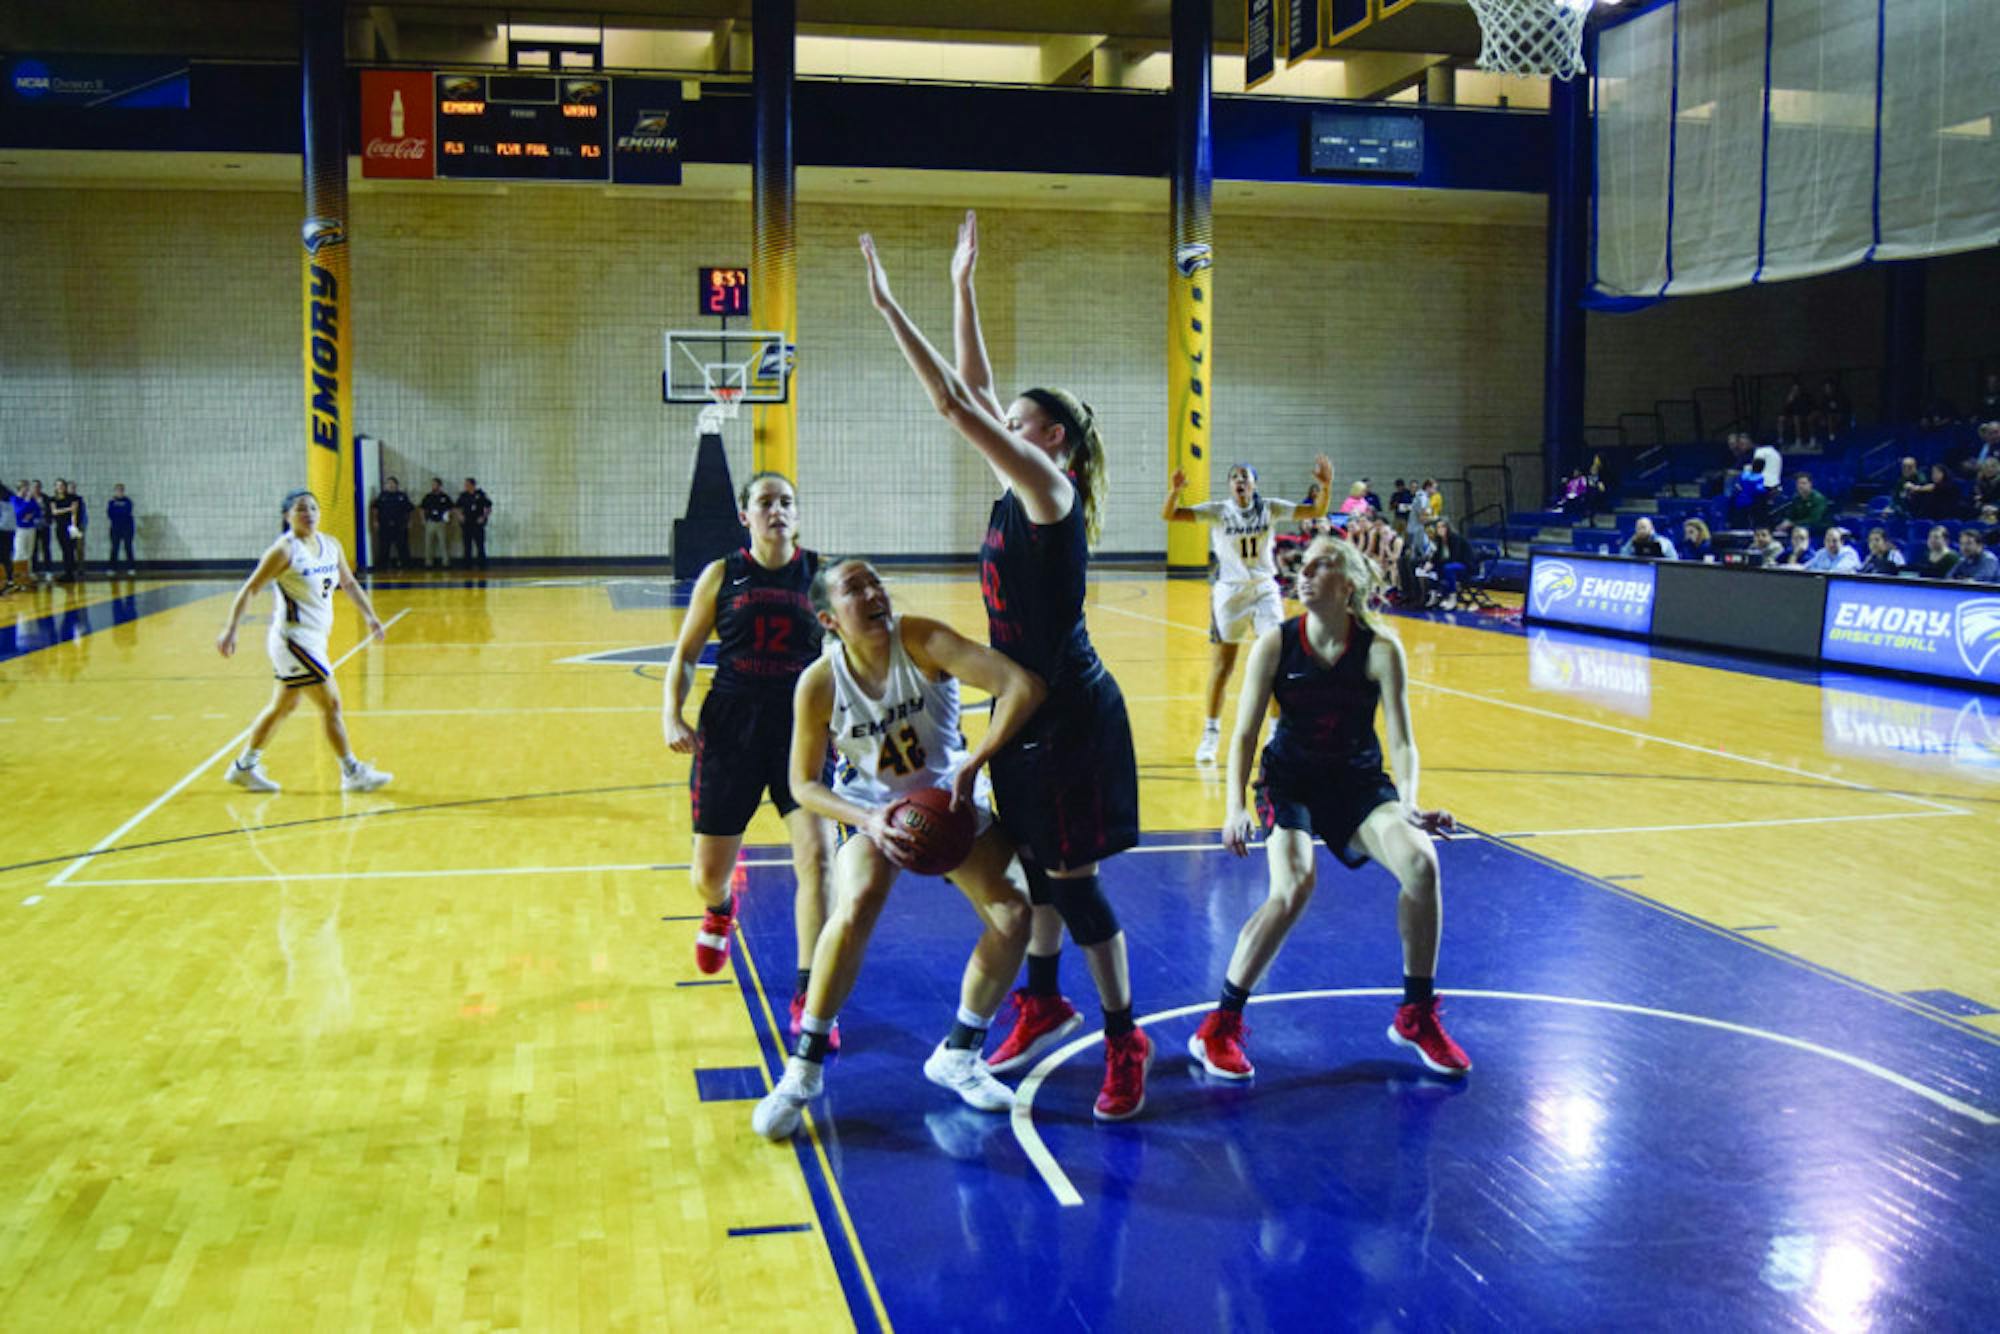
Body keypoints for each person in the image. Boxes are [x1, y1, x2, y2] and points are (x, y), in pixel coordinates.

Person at [861, 211, 1151, 1120]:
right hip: (1021, 701)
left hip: (1067, 713)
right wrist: (960, 285)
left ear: (1050, 438)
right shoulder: (1017, 482)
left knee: (1074, 884)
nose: (1001, 420)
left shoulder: (1048, 488)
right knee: (1028, 863)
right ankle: (1042, 995)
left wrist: (886, 303)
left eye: (1020, 421)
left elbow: (954, 400)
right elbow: (976, 388)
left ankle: (1124, 1038)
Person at [751, 558, 1044, 1139]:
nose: (873, 592)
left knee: (1015, 913)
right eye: (854, 588)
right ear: (830, 617)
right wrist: (870, 819)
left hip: (946, 798)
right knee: (855, 905)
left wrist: (975, 762)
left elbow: (1021, 686)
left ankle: (959, 1052)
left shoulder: (923, 639)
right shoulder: (820, 682)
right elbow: (801, 784)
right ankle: (803, 1069)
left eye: (875, 582)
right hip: (869, 808)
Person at [1190, 535, 1467, 1081]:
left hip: (1356, 784)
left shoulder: (1381, 648)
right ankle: (1219, 1026)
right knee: (1293, 886)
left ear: (1349, 584)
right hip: (1289, 780)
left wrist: (1408, 803)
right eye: (1303, 565)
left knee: (1421, 864)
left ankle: (1416, 1014)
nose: (1304, 572)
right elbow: (1244, 733)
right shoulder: (1276, 643)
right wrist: (1232, 807)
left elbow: (1403, 740)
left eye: (1321, 566)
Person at [662, 472, 835, 1039]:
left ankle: (812, 996)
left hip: (801, 730)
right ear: (746, 517)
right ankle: (719, 910)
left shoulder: (821, 577)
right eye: (765, 502)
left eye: (787, 501)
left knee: (819, 860)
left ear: (799, 516)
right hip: (731, 728)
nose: (777, 510)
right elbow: (686, 654)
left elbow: (853, 655)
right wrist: (671, 713)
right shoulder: (722, 574)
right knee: (708, 875)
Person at [214, 490, 392, 794]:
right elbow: (250, 589)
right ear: (287, 516)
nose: (308, 513)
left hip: (315, 638)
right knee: (331, 703)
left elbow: (348, 584)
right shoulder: (284, 551)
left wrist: (371, 616)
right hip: (293, 639)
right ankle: (352, 772)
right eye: (300, 509)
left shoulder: (330, 545)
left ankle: (244, 767)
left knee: (284, 705)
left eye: (312, 508)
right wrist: (231, 628)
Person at [1163, 455, 1334, 764]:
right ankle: (1211, 734)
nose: (1239, 481)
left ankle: (1276, 734)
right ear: (1230, 485)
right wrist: (1175, 491)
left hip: (1264, 589)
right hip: (1230, 592)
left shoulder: (1270, 507)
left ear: (1255, 484)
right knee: (1223, 667)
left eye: (1245, 476)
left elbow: (1317, 510)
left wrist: (1326, 485)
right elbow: (1171, 515)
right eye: (1234, 477)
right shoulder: (1219, 511)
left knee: (1275, 661)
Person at [373, 476, 414, 571]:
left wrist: (410, 521)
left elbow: (409, 509)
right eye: (388, 483)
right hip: (385, 525)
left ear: (396, 485)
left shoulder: (402, 495)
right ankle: (383, 565)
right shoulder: (382, 495)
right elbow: (376, 509)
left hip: (400, 524)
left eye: (392, 483)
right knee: (384, 545)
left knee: (402, 545)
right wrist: (375, 521)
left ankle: (405, 564)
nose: (390, 485)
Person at [8, 480, 38, 591]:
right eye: (26, 487)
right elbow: (18, 513)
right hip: (19, 529)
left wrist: (31, 513)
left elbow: (37, 511)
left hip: (30, 527)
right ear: (21, 488)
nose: (28, 490)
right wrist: (26, 503)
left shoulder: (31, 499)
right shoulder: (14, 499)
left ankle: (26, 577)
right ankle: (16, 577)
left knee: (29, 553)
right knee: (20, 552)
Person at [456, 478, 492, 570]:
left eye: (467, 484)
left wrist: (483, 517)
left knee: (480, 545)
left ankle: (482, 565)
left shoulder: (481, 495)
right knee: (467, 546)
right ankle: (467, 565)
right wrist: (460, 516)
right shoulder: (463, 495)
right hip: (467, 523)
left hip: (477, 524)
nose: (465, 486)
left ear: (472, 485)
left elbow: (488, 507)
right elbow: (457, 507)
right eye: (465, 485)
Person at [48, 480, 80, 582]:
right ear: (55, 487)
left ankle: (70, 573)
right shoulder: (53, 499)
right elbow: (54, 512)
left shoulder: (73, 498)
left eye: (62, 485)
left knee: (70, 550)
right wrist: (68, 509)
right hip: (60, 527)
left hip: (69, 526)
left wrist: (74, 527)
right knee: (64, 550)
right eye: (58, 485)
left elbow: (74, 512)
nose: (60, 487)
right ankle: (67, 572)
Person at [419, 479, 454, 569]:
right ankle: (428, 562)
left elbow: (450, 508)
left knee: (443, 543)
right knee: (428, 543)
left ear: (439, 485)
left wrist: (448, 517)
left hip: (441, 523)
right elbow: (422, 508)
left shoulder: (444, 497)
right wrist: (423, 520)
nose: (433, 486)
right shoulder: (428, 496)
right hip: (430, 522)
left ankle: (445, 562)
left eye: (435, 484)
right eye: (432, 484)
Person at [105, 484, 136, 575]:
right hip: (115, 528)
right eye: (117, 490)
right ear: (115, 491)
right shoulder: (111, 502)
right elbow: (110, 514)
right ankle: (112, 568)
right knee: (114, 548)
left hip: (127, 528)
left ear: (123, 491)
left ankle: (131, 568)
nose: (119, 492)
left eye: (121, 490)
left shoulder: (128, 501)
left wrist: (117, 512)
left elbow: (127, 512)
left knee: (128, 547)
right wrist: (118, 512)